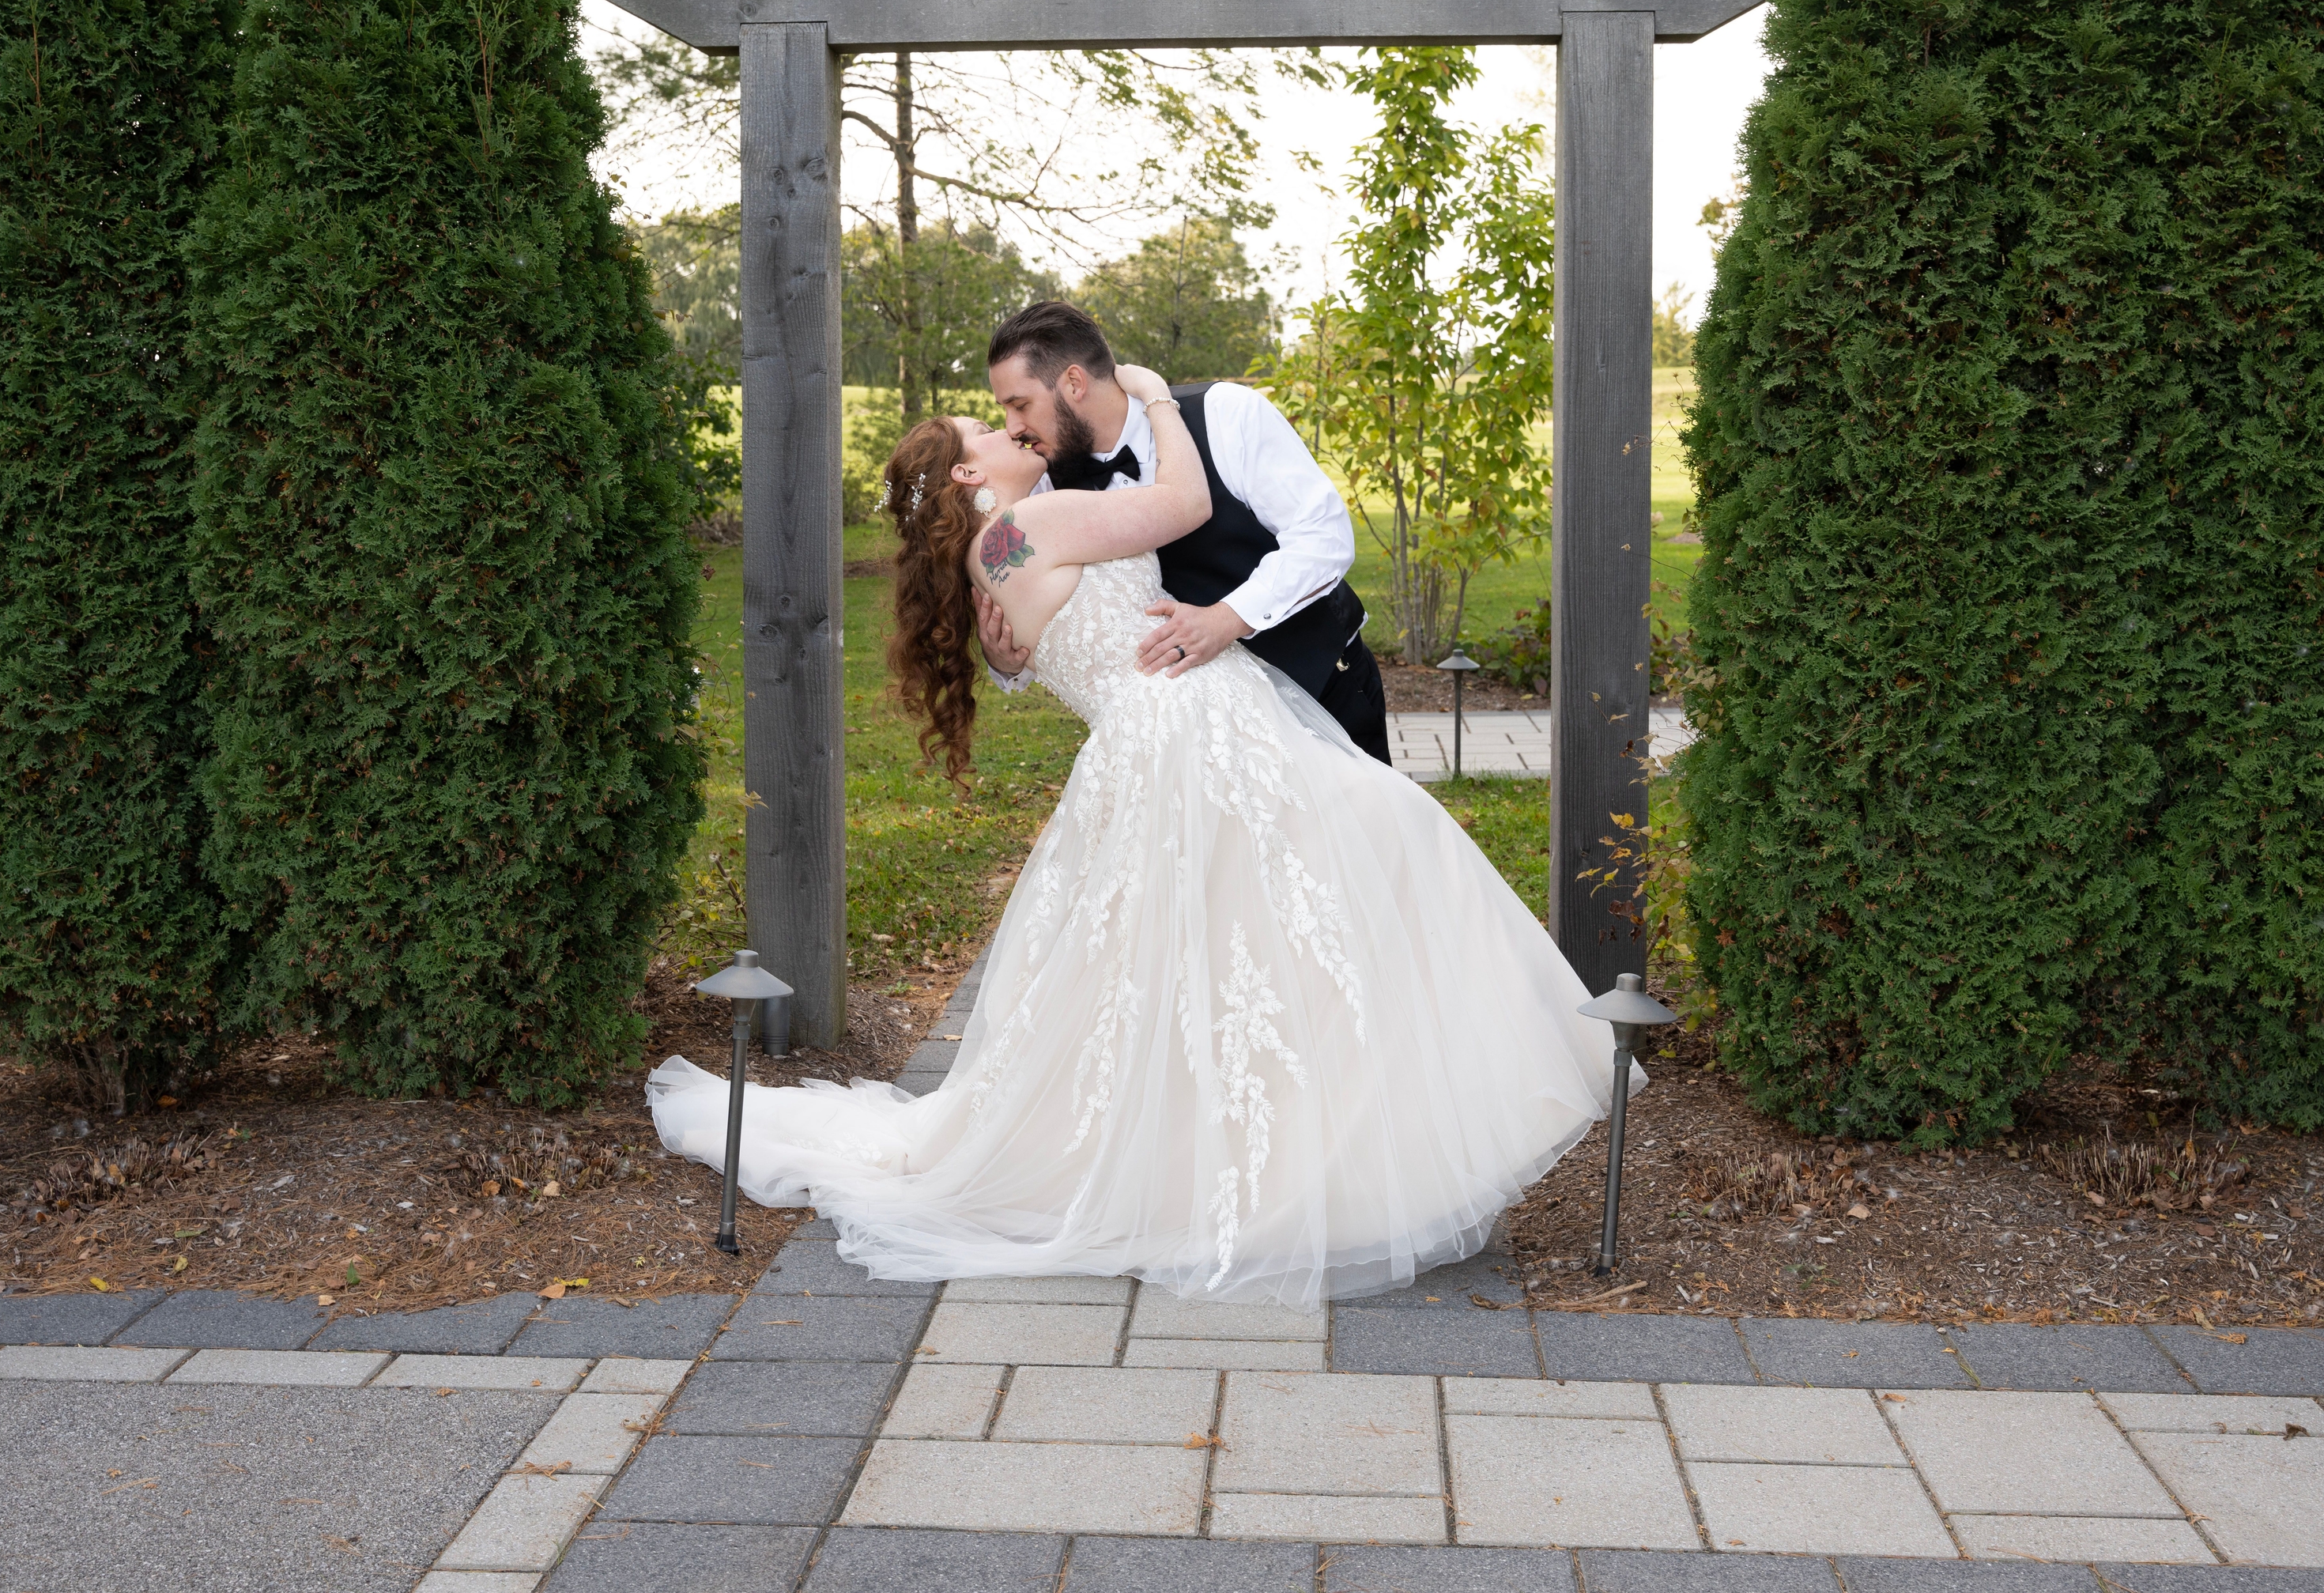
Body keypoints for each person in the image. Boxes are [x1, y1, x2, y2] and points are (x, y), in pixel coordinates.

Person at [643, 364, 1631, 1307]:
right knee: (1375, 856)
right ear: (967, 476)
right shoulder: (1031, 522)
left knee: (1231, 945)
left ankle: (1287, 1151)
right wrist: (1157, 398)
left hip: (1158, 739)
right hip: (1189, 732)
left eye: (1010, 411)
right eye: (991, 429)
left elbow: (1036, 645)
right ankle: (1385, 1132)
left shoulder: (993, 554)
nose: (1011, 429)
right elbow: (1182, 508)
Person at [972, 300, 1392, 764]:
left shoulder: (1223, 413)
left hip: (1323, 687)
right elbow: (1061, 617)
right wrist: (1006, 663)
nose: (1013, 427)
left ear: (1074, 382)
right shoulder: (1044, 481)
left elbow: (1323, 535)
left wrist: (1228, 618)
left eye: (1020, 405)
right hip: (1199, 737)